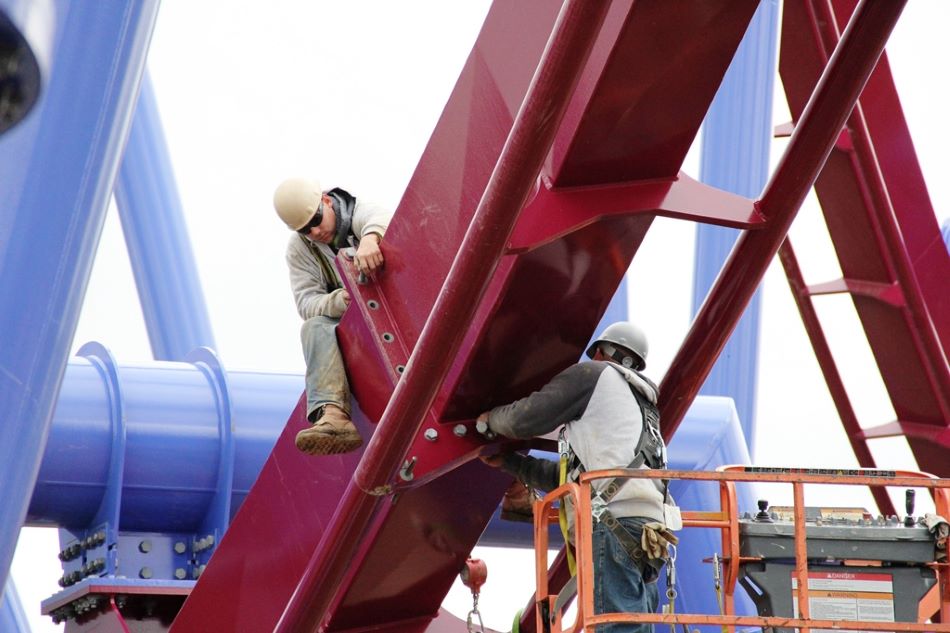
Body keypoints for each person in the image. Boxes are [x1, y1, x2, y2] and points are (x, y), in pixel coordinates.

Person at [478, 322, 677, 633]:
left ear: (600, 352)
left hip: (613, 524)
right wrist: (511, 463)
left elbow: (525, 418)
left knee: (616, 628)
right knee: (633, 624)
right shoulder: (641, 408)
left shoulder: (594, 375)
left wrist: (490, 421)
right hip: (648, 531)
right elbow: (572, 481)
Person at [273, 177, 392, 455]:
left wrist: (371, 239)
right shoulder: (301, 250)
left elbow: (382, 216)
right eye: (305, 229)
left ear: (326, 200)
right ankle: (333, 416)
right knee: (314, 327)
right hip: (356, 328)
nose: (314, 231)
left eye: (316, 219)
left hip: (397, 311)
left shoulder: (357, 210)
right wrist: (338, 301)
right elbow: (307, 303)